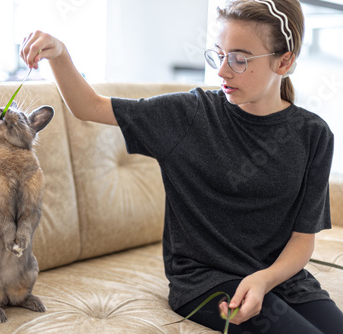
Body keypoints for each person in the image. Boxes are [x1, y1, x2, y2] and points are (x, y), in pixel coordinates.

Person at [20, 0, 343, 332]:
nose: (222, 71)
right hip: (206, 283)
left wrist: (264, 279)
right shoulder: (190, 116)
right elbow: (88, 106)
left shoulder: (314, 135)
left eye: (239, 59)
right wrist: (59, 54)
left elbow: (303, 240)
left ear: (284, 61)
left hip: (281, 279)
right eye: (219, 55)